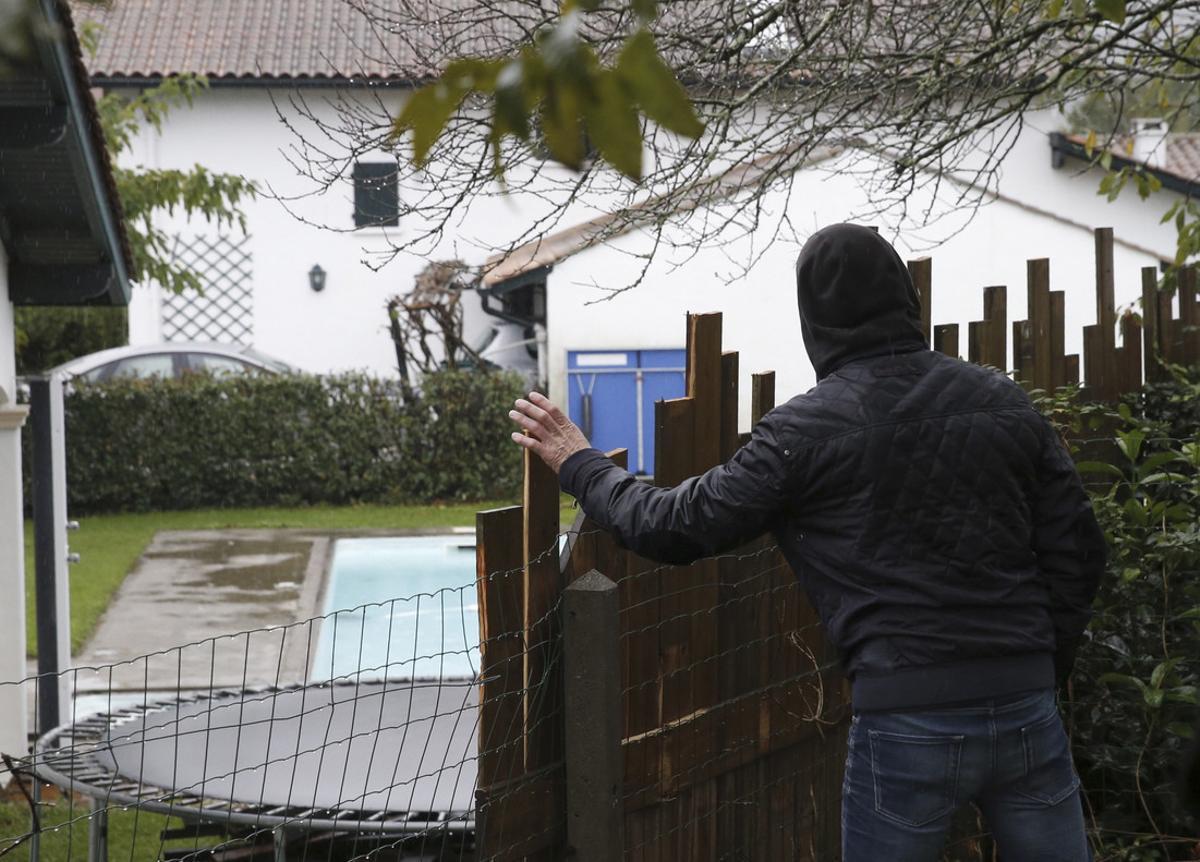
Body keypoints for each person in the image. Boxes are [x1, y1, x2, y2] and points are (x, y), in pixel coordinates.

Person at [508, 223, 1105, 861]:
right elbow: (1080, 551)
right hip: (1024, 709)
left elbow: (673, 525)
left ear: (813, 322)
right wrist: (1037, 665)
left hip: (906, 721)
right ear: (908, 299)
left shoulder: (804, 433)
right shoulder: (1004, 403)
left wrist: (581, 463)